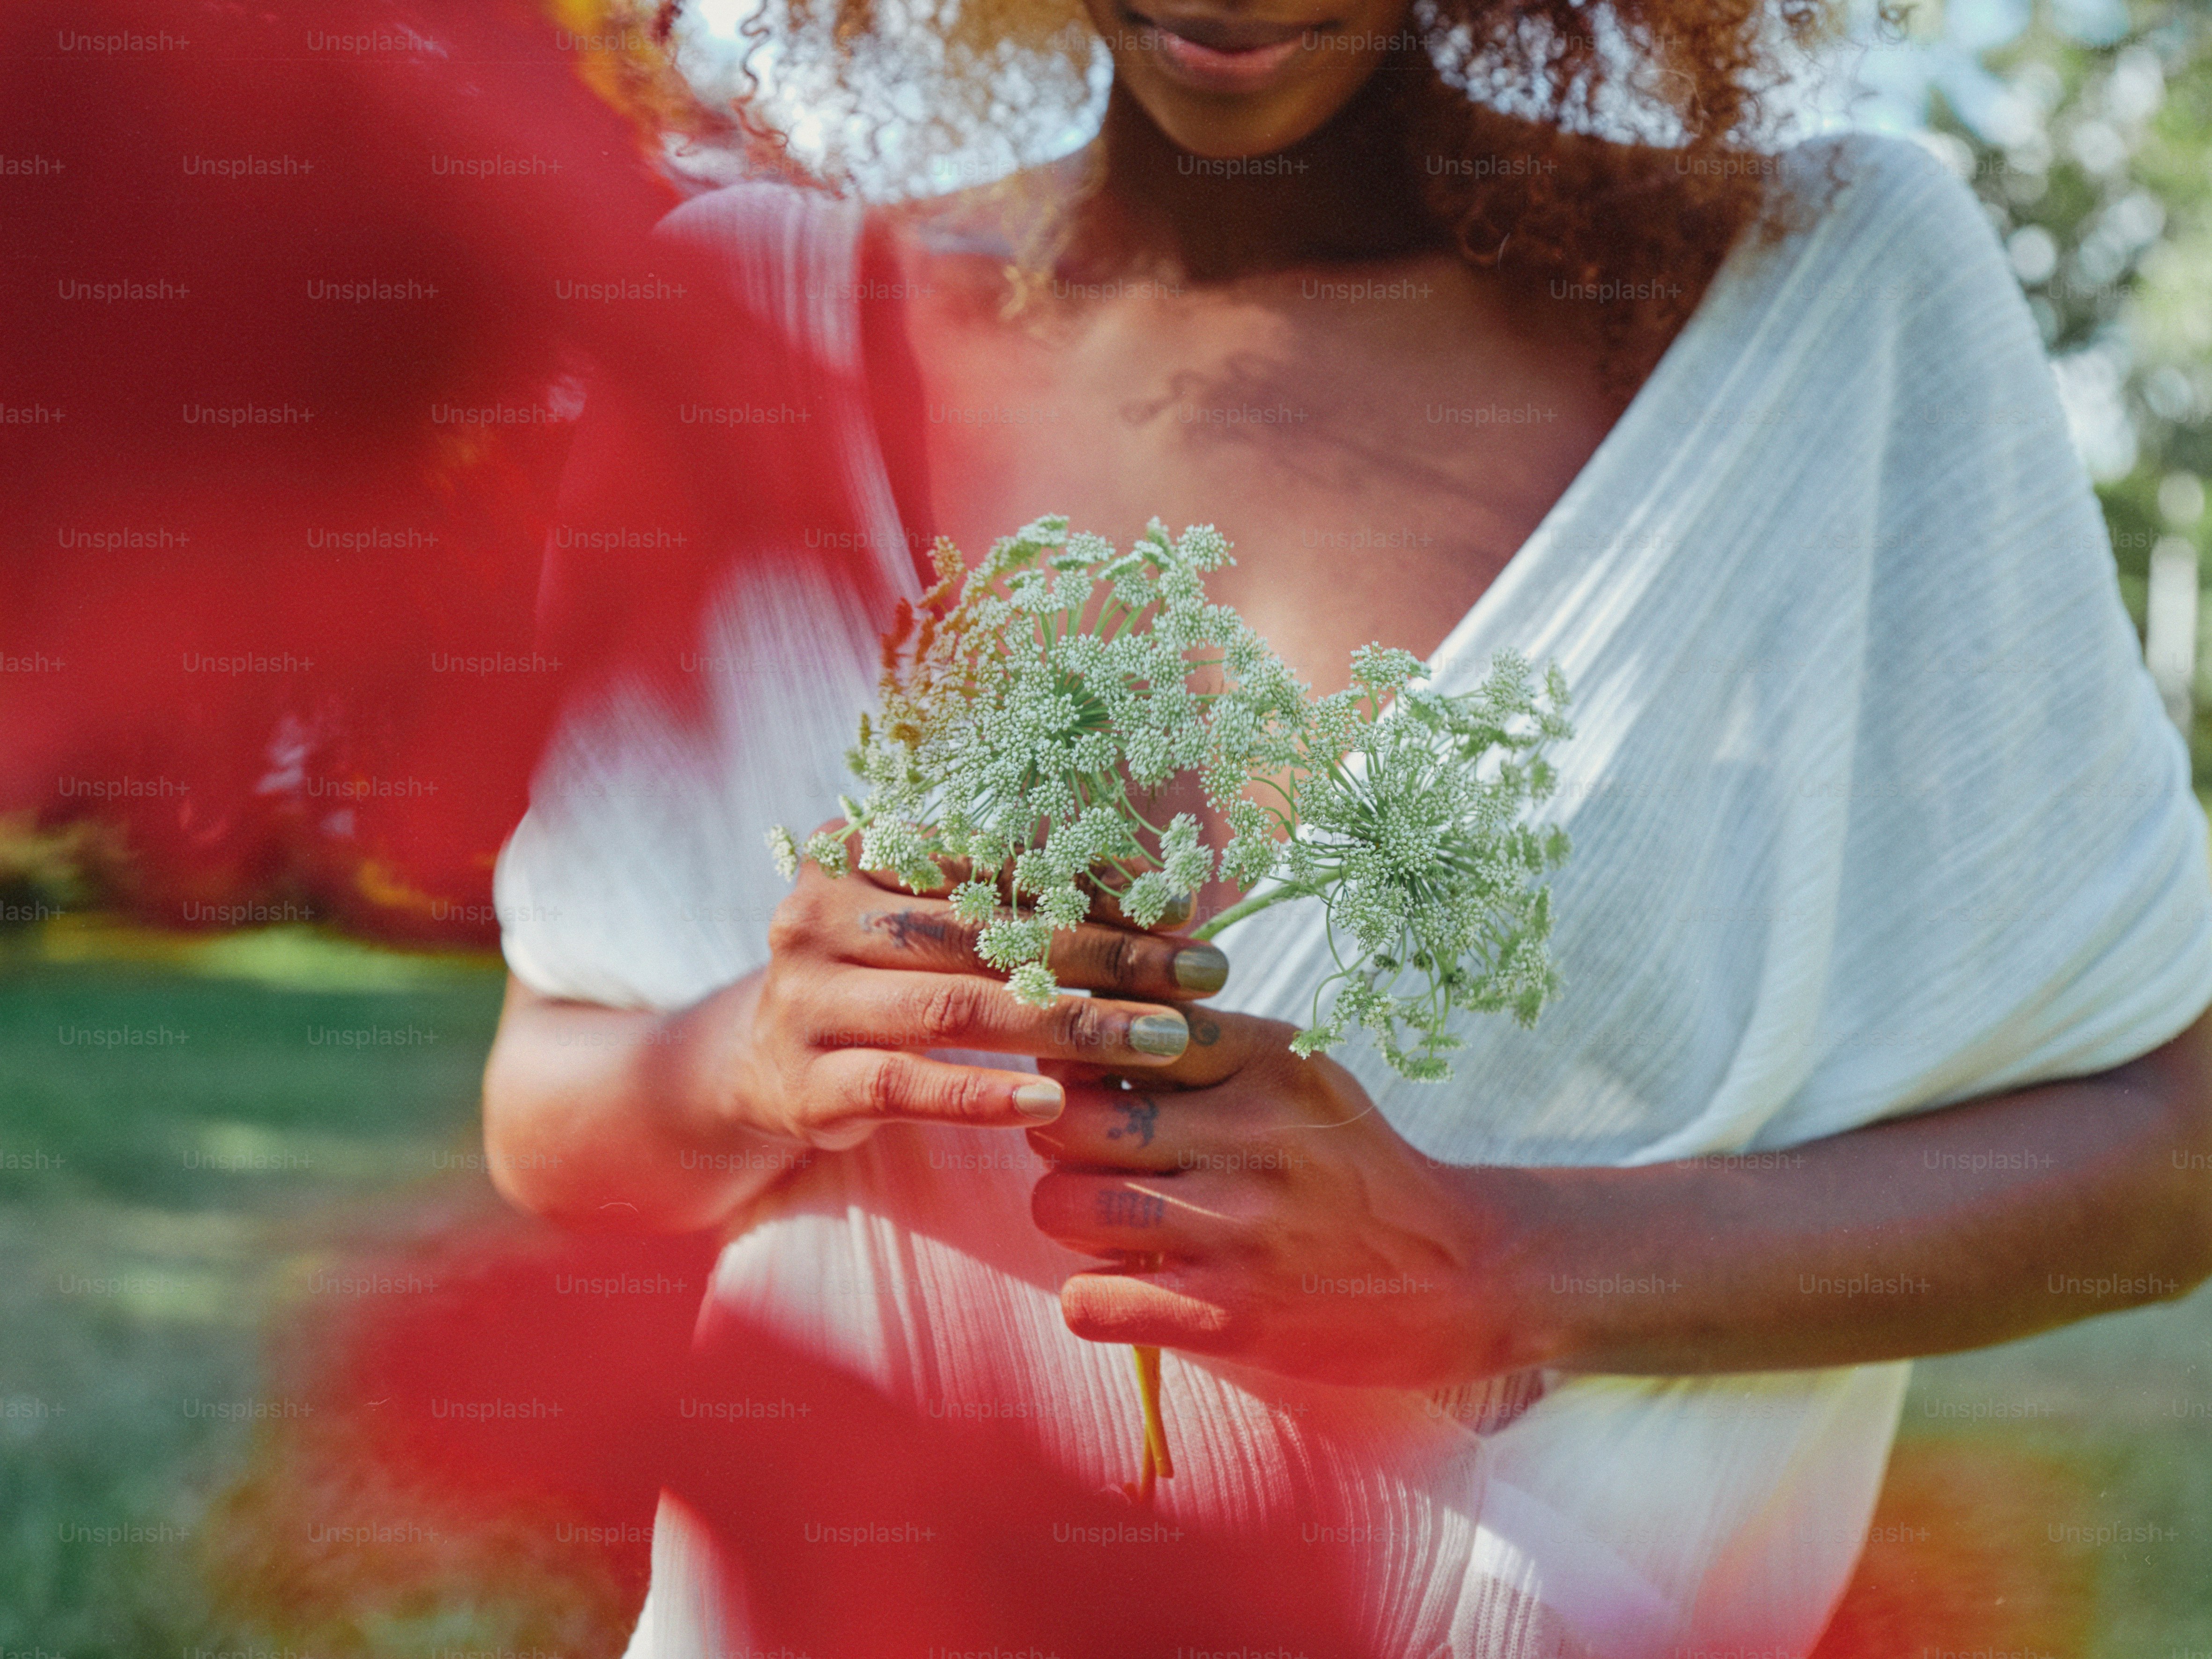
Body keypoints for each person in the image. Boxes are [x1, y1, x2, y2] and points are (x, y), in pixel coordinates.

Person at [481, 1, 2212, 1653]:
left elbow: (2170, 1153)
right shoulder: (744, 330)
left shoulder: (1820, 307)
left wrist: (1508, 1263)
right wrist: (754, 1056)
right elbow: (549, 1105)